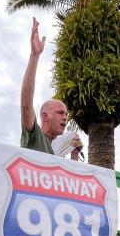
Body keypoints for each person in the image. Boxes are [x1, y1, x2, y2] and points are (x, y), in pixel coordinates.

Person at [20, 17, 82, 160]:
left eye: (66, 114)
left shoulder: (58, 151)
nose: (65, 117)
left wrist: (74, 153)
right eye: (60, 113)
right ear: (45, 116)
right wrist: (34, 56)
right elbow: (26, 106)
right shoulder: (34, 137)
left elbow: (70, 181)